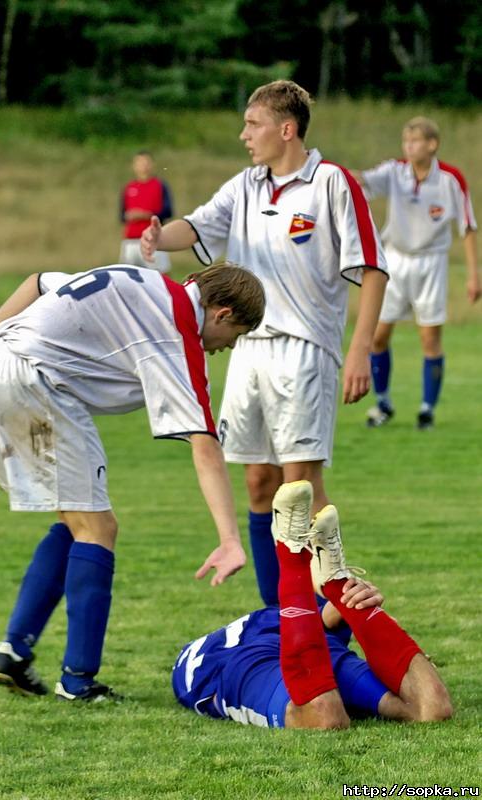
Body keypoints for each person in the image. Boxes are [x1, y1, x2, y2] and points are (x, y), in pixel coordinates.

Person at [0, 262, 265, 702]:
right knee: (99, 529)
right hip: (38, 382)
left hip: (6, 369)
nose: (225, 348)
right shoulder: (177, 332)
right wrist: (230, 539)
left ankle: (13, 654)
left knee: (78, 522)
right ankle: (78, 680)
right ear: (222, 314)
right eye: (235, 336)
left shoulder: (147, 281)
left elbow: (37, 282)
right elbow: (204, 442)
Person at [141, 79, 388, 615]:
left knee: (300, 489)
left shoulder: (332, 183)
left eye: (252, 125)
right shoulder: (247, 185)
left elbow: (372, 270)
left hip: (305, 349)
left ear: (287, 128)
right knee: (258, 483)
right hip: (248, 350)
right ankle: (278, 615)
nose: (243, 135)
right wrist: (160, 237)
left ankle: (331, 616)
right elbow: (200, 225)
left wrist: (360, 351)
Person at [173, 481, 452, 729]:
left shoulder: (298, 624)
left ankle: (332, 576)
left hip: (290, 633)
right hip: (233, 661)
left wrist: (358, 604)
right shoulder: (211, 667)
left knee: (434, 709)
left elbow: (324, 620)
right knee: (324, 716)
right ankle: (292, 552)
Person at [351, 116, 480, 430]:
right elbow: (363, 180)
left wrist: (474, 274)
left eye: (415, 141)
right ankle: (382, 404)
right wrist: (335, 173)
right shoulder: (395, 171)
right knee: (379, 336)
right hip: (395, 260)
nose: (408, 147)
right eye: (405, 141)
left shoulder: (450, 179)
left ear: (432, 145)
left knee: (429, 338)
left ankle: (426, 410)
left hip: (431, 263)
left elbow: (467, 227)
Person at [119, 150, 173, 273]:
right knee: (129, 278)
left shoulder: (160, 186)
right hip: (131, 241)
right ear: (134, 166)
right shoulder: (129, 188)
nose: (143, 166)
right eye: (140, 163)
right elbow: (122, 215)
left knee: (160, 278)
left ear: (152, 164)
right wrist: (129, 215)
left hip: (152, 240)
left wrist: (145, 215)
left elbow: (168, 212)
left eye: (146, 162)